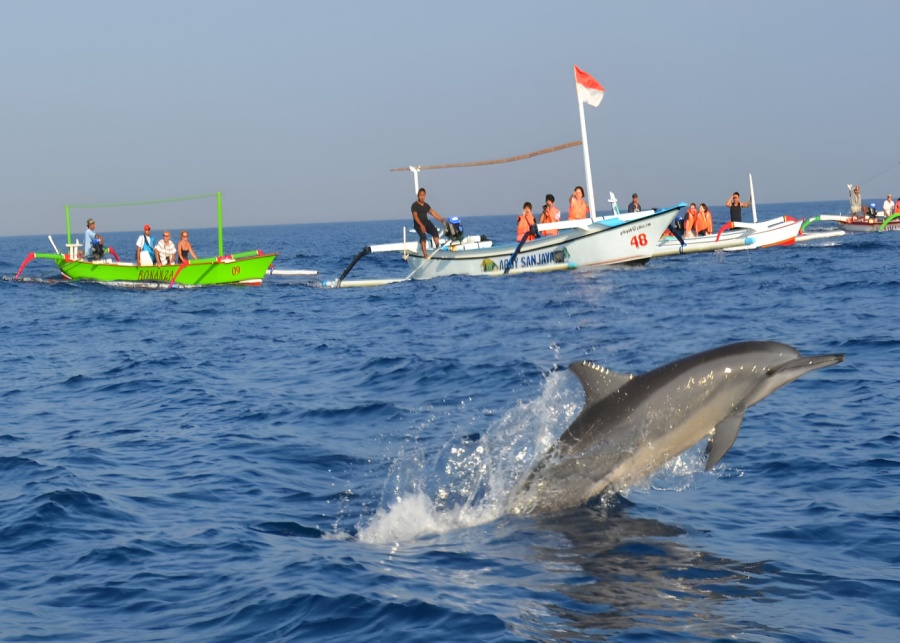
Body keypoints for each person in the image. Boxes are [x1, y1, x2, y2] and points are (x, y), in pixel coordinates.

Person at [410, 188, 445, 256]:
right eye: (420, 195)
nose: (422, 197)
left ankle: (438, 247)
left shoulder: (426, 205)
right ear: (418, 196)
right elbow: (415, 216)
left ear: (425, 195)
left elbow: (432, 213)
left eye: (423, 195)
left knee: (434, 231)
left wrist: (441, 219)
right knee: (423, 237)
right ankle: (425, 254)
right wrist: (421, 225)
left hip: (426, 222)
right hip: (418, 224)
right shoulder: (414, 205)